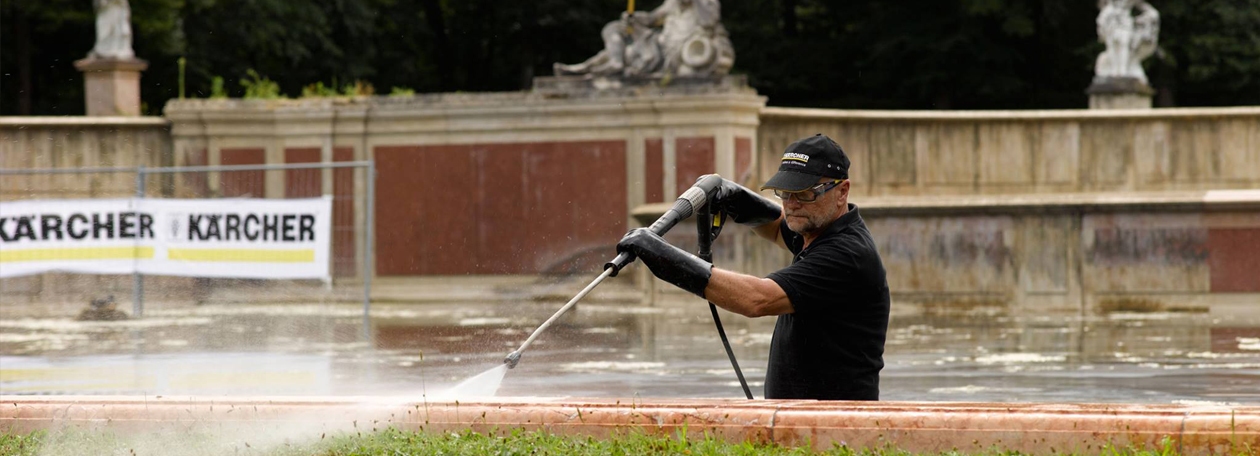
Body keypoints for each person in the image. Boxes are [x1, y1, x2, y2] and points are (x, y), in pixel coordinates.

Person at [615, 134, 890, 400]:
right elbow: (776, 228)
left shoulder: (847, 254)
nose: (792, 204)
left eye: (805, 193)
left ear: (842, 191)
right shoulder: (818, 229)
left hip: (836, 426)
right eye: (785, 192)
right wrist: (734, 197)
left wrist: (664, 257)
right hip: (799, 422)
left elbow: (757, 299)